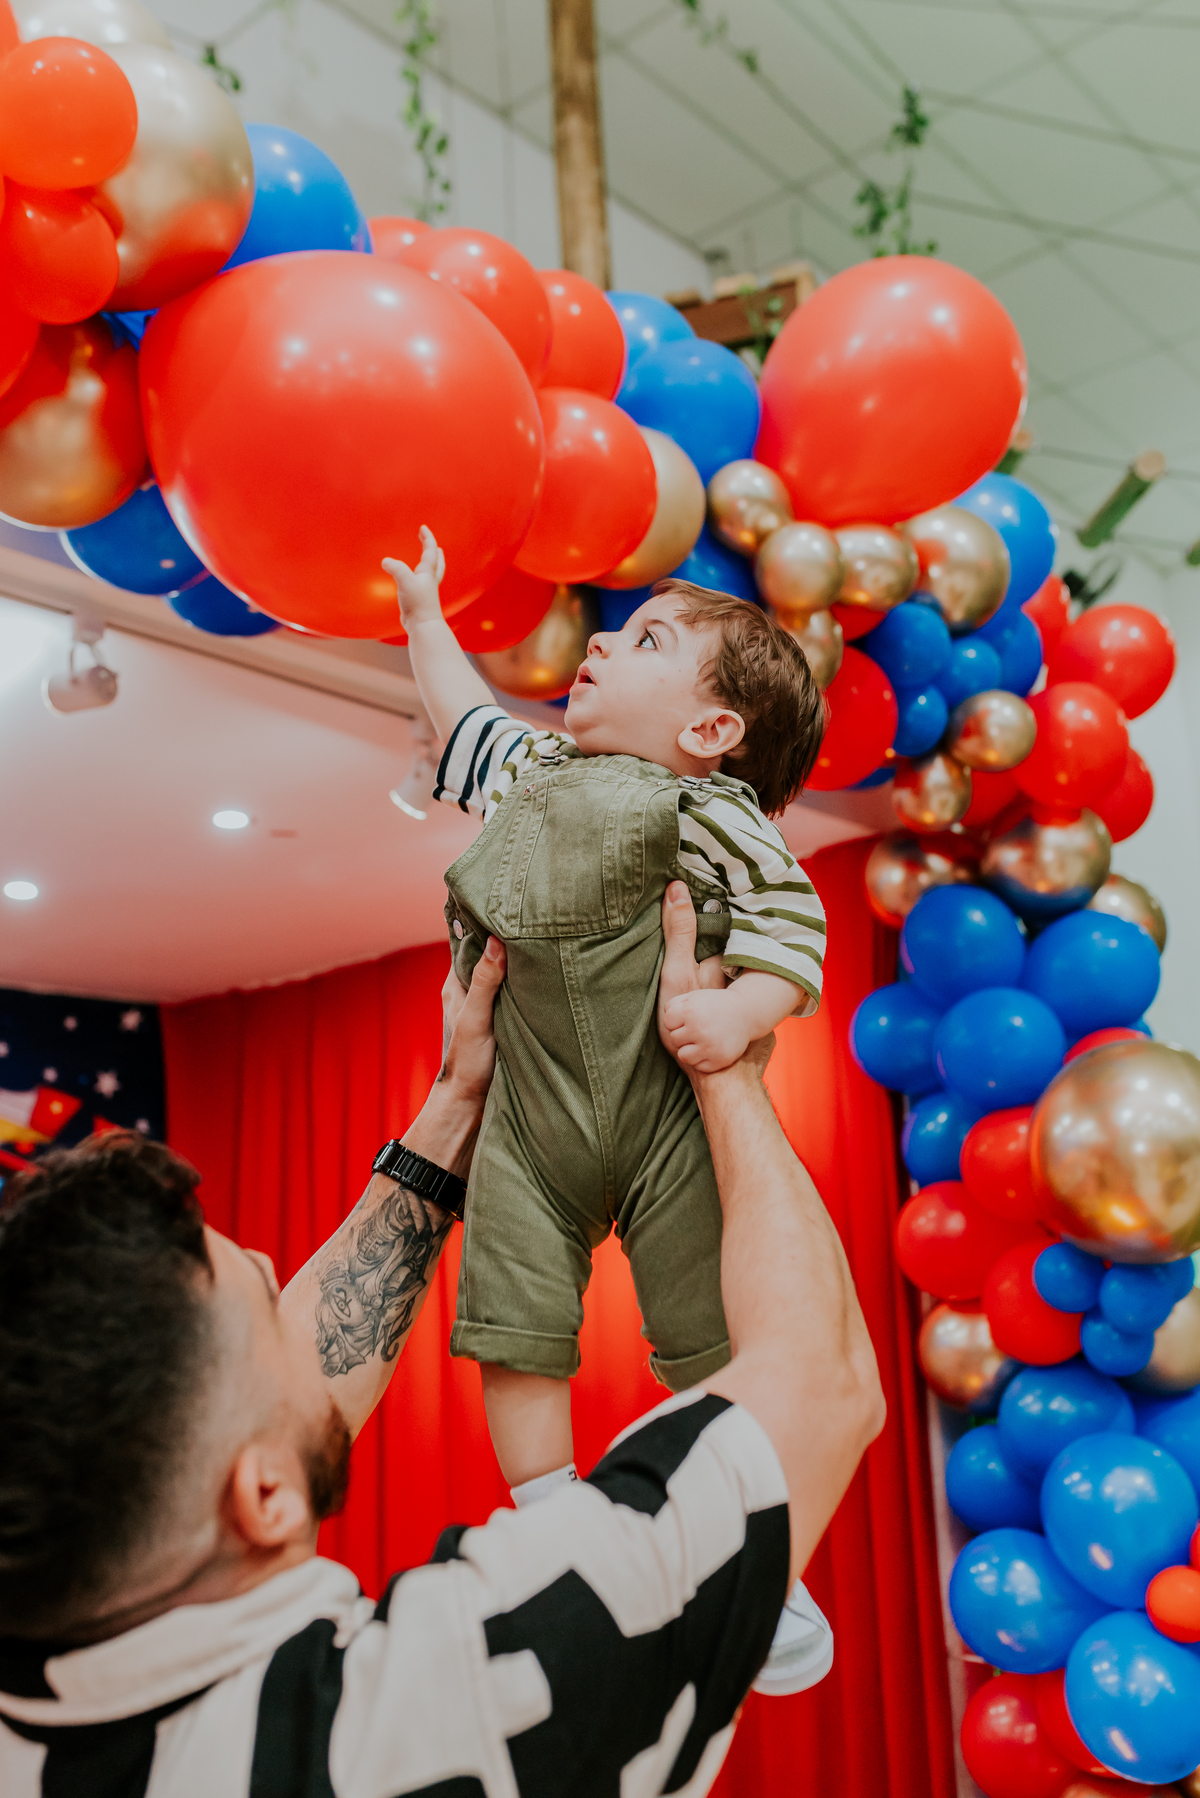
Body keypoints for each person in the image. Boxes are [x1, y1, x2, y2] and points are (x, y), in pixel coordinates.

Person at [0, 889, 883, 1797]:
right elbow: (824, 1379)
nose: (289, 1292)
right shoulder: (454, 1695)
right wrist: (724, 1068)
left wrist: (461, 1096)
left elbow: (287, 1386)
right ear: (263, 1495)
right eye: (271, 1310)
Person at [386, 531, 830, 1690]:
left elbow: (792, 927)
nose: (597, 638)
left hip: (667, 1104)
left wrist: (740, 1016)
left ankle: (754, 1550)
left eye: (647, 640)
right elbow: (462, 723)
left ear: (711, 732)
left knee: (709, 1317)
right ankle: (547, 1511)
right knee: (510, 1306)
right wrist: (426, 617)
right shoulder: (531, 776)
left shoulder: (711, 810)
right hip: (532, 1117)